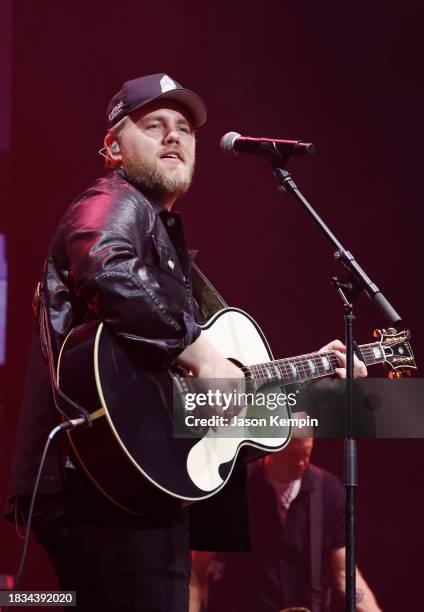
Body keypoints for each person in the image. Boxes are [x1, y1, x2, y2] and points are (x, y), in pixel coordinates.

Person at [5, 73, 367, 612]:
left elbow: (205, 401)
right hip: (100, 483)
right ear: (112, 147)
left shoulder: (164, 236)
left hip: (135, 486)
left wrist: (315, 382)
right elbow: (107, 269)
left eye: (184, 128)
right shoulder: (112, 202)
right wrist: (197, 350)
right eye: (153, 126)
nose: (173, 136)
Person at [189, 437, 381, 612]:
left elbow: (344, 574)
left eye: (306, 453)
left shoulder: (328, 491)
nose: (300, 462)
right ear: (268, 448)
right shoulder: (234, 488)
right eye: (292, 454)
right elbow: (196, 572)